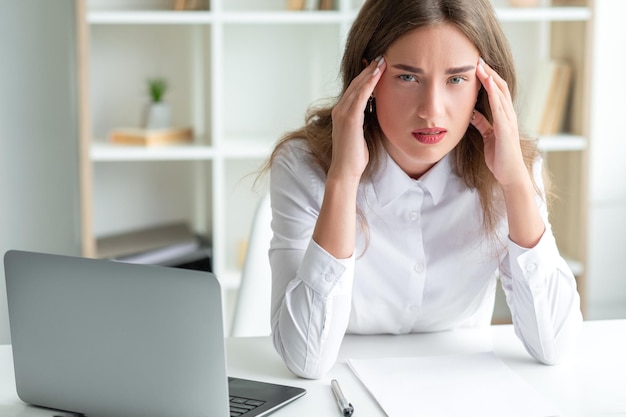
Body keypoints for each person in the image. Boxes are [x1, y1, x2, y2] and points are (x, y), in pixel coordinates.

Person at [265, 0, 582, 379]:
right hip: (341, 388)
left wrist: (516, 184)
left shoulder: (508, 167)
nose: (431, 110)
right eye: (407, 77)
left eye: (456, 79)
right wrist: (342, 180)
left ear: (484, 87)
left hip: (462, 387)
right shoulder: (302, 166)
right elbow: (306, 360)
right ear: (368, 78)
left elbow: (556, 346)